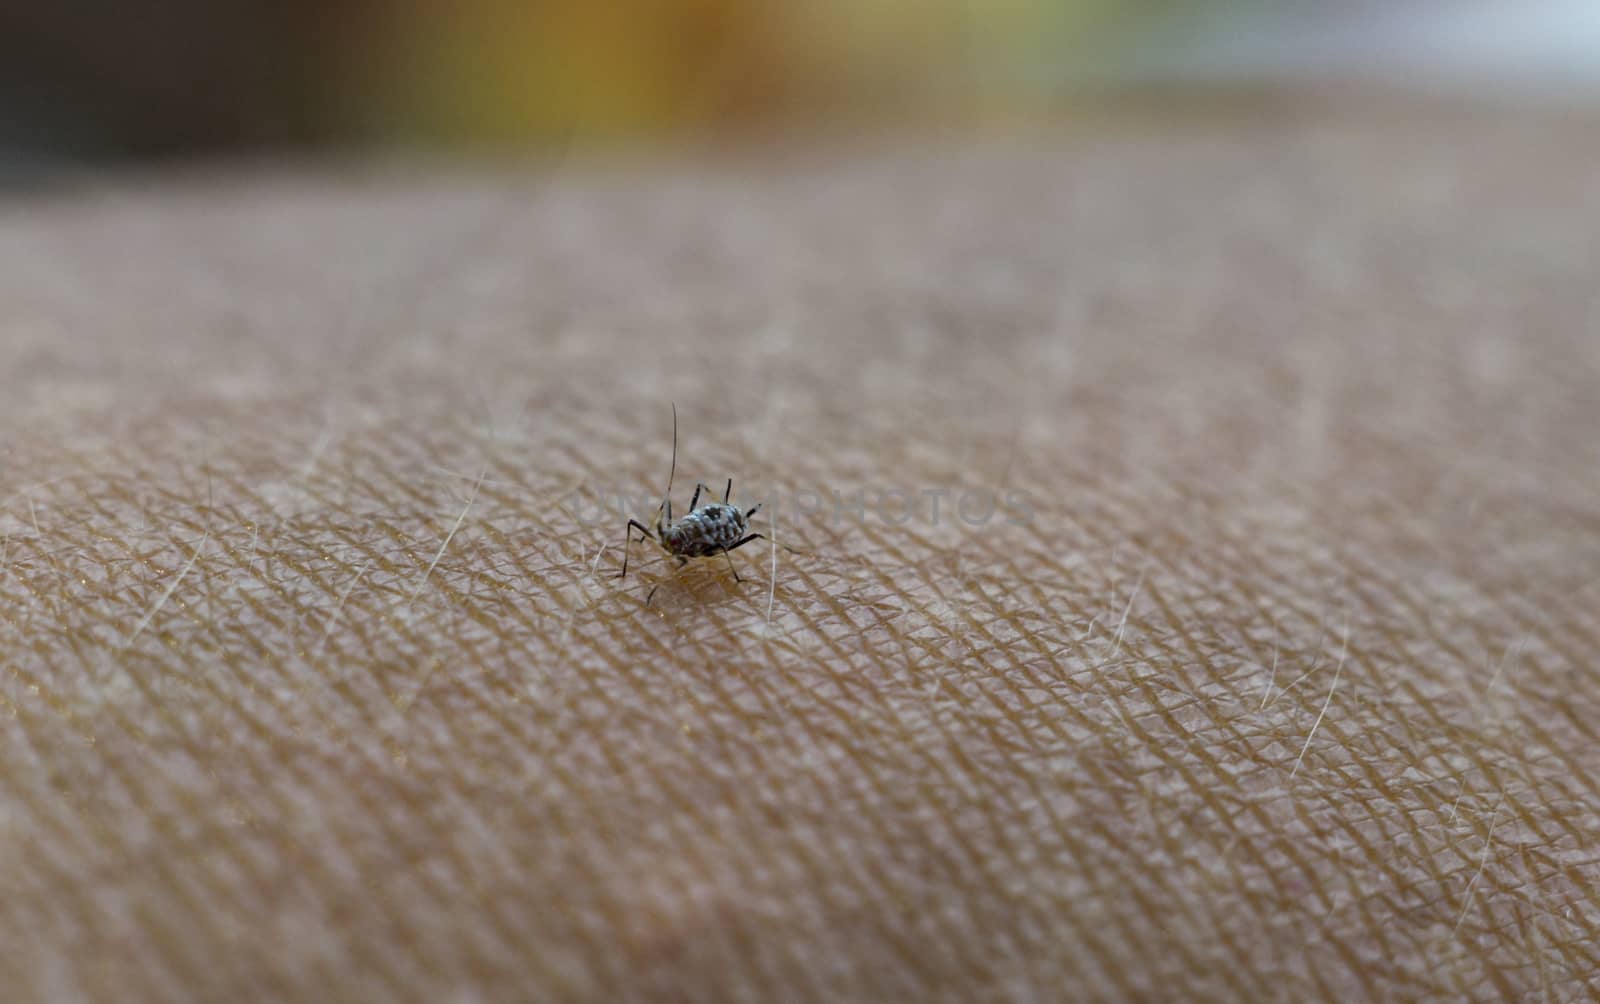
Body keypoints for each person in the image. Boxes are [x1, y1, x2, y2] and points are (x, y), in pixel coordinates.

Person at [1, 101, 1593, 1001]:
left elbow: (714, 543)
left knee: (712, 535)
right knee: (689, 537)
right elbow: (686, 542)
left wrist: (707, 554)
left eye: (695, 539)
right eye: (690, 538)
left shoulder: (710, 544)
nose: (690, 545)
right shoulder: (679, 545)